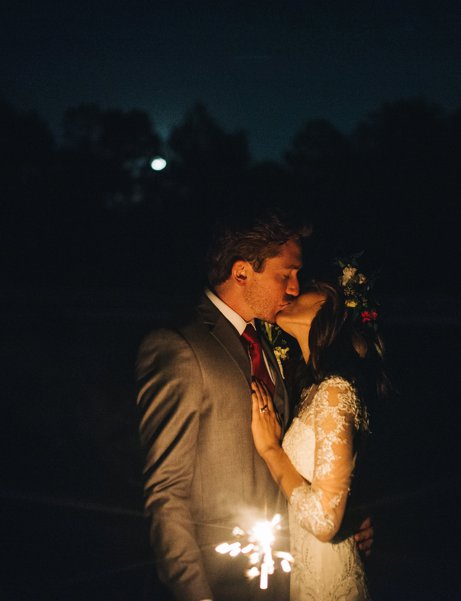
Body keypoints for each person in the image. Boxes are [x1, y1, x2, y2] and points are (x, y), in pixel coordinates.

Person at [135, 212, 373, 601]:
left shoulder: (269, 344)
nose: (295, 288)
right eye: (286, 274)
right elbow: (166, 493)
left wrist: (346, 516)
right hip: (221, 581)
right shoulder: (180, 347)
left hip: (287, 579)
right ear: (242, 272)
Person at [250, 270, 391, 600]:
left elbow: (326, 519)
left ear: (328, 305)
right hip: (303, 575)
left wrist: (271, 450)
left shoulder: (335, 393)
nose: (292, 291)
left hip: (329, 583)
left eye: (306, 289)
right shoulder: (310, 390)